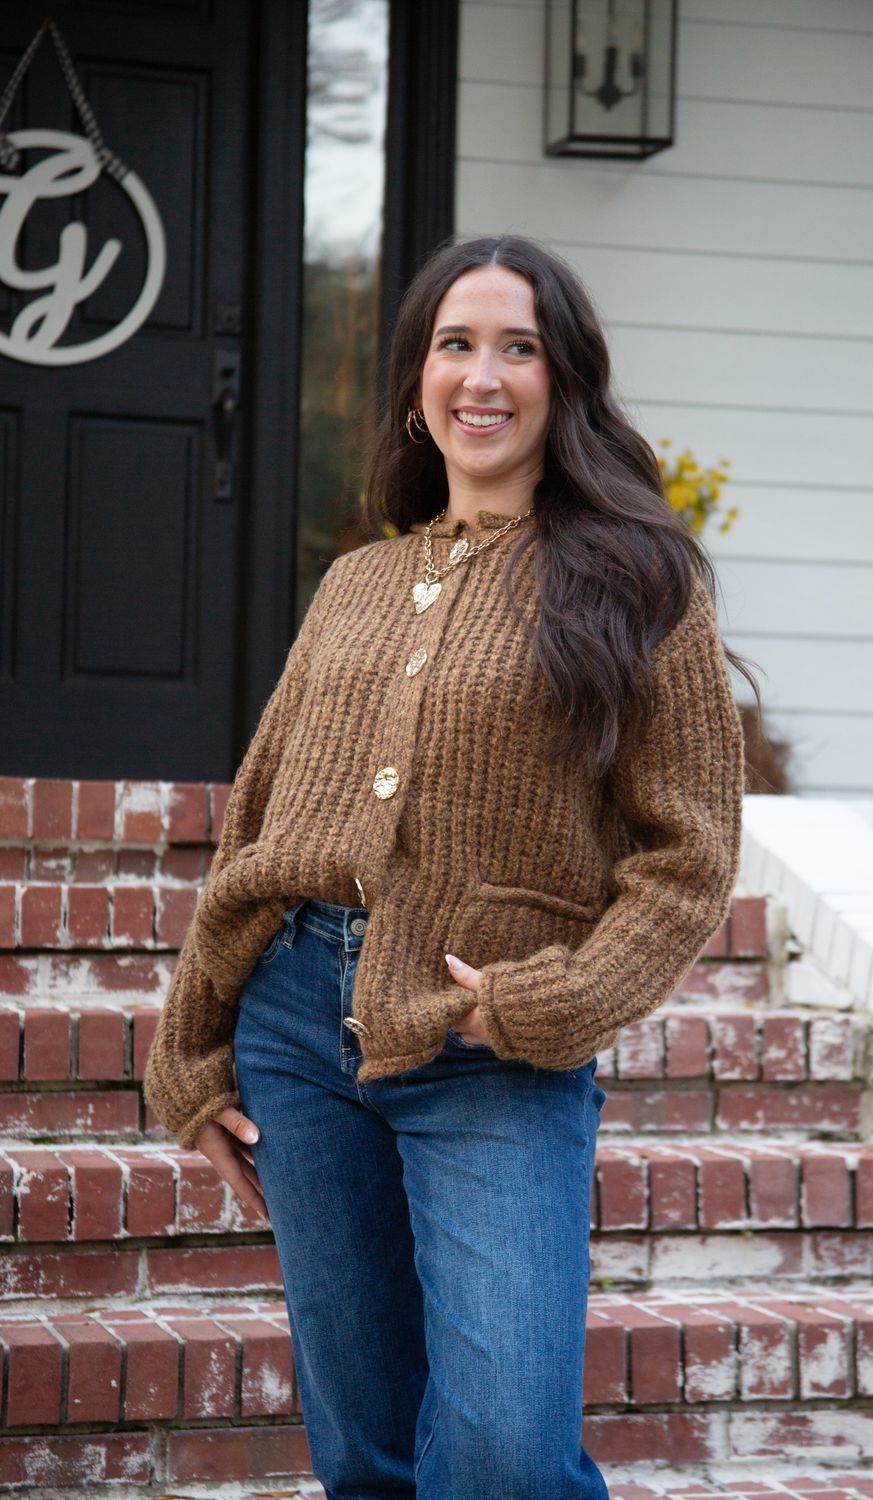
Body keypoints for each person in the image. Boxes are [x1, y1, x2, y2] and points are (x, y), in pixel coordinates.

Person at [143, 233, 756, 1499]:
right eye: (454, 344)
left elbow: (687, 855)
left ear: (564, 378)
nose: (483, 376)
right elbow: (260, 826)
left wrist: (555, 1003)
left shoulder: (641, 581)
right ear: (419, 379)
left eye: (518, 347)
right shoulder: (358, 583)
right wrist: (192, 1045)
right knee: (365, 1443)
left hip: (489, 1043)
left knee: (503, 1450)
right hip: (299, 1032)